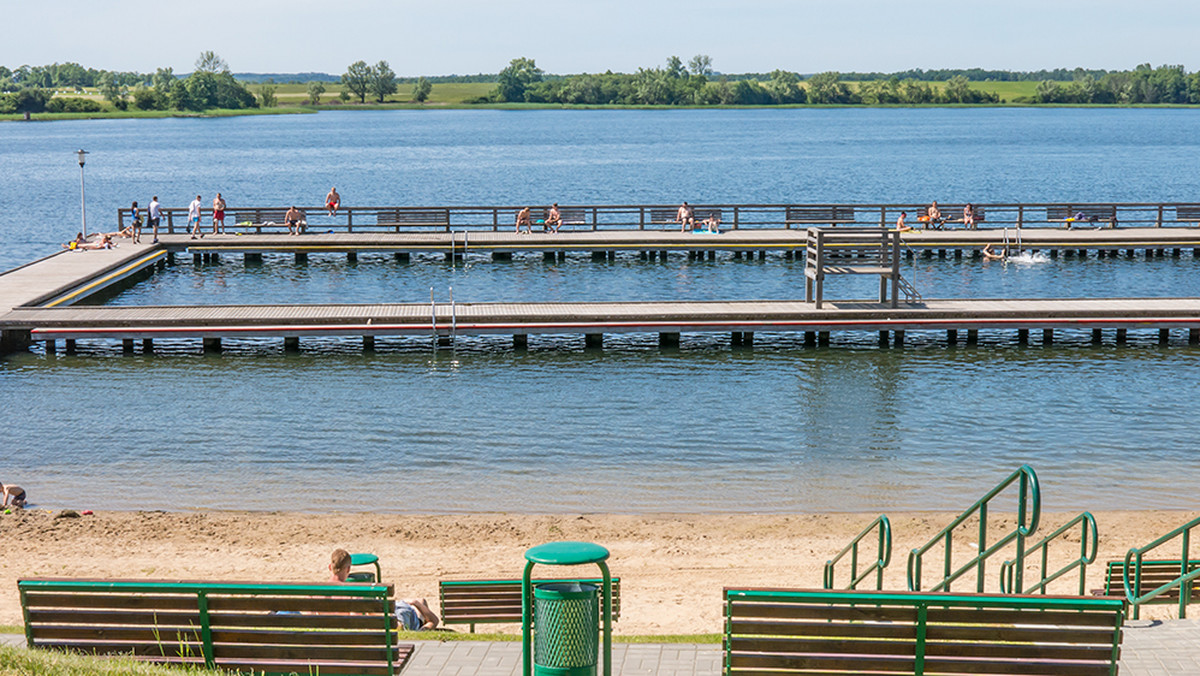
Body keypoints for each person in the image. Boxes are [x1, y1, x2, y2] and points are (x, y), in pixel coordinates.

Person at [327, 549, 439, 631]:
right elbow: (358, 620)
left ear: (329, 567)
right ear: (348, 569)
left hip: (398, 615)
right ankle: (416, 607)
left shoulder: (314, 593)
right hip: (396, 617)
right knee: (421, 602)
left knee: (418, 603)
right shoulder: (353, 594)